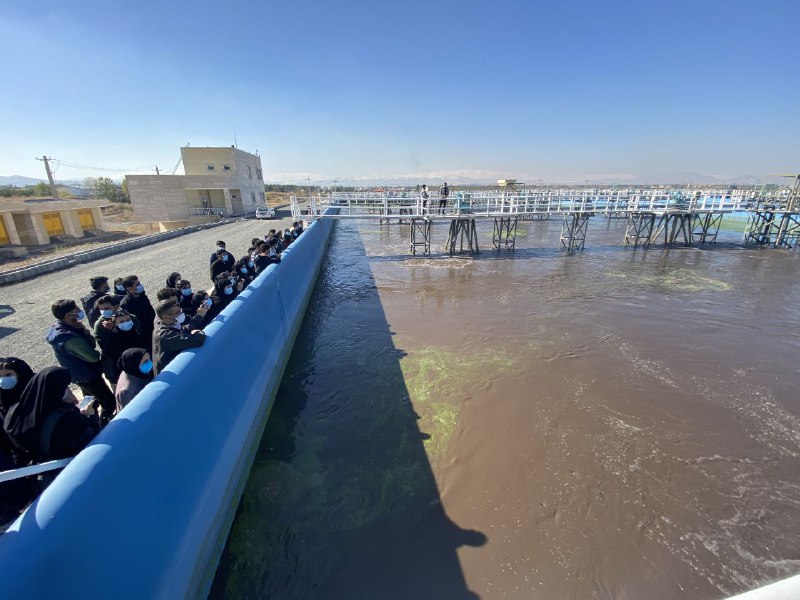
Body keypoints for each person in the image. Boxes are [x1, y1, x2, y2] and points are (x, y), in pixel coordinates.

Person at [4, 367, 99, 461]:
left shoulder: (14, 411)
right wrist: (91, 415)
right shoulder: (66, 418)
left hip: (35, 467)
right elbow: (92, 439)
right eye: (64, 387)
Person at [45, 300, 116, 424]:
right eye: (76, 309)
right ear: (68, 315)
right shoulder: (69, 338)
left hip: (78, 375)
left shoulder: (60, 328)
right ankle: (104, 425)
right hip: (87, 375)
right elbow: (93, 356)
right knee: (108, 402)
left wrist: (83, 331)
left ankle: (87, 420)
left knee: (90, 400)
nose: (79, 311)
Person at [152, 299, 207, 375]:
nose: (181, 313)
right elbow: (198, 340)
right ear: (166, 317)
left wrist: (199, 316)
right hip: (169, 375)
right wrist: (198, 332)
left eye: (180, 310)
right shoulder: (164, 336)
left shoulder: (169, 323)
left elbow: (183, 330)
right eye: (178, 312)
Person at [96, 309, 144, 386]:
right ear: (115, 324)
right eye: (121, 322)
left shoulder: (134, 331)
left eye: (128, 320)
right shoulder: (113, 337)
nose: (126, 323)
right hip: (123, 374)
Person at [119, 275, 156, 346]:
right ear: (129, 289)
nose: (140, 285)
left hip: (152, 326)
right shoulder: (126, 303)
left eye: (139, 283)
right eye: (137, 284)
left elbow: (150, 309)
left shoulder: (142, 295)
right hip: (143, 333)